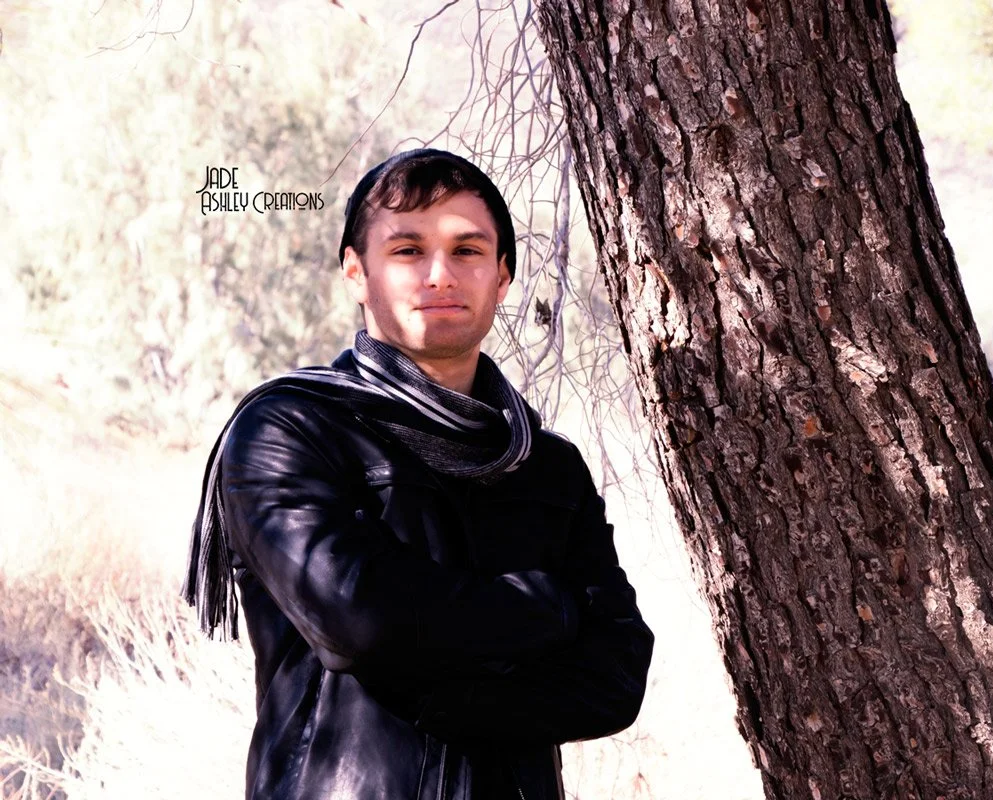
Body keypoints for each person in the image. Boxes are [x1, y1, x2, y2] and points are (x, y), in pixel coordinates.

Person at [182, 148, 655, 800]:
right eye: (407, 250)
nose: (440, 274)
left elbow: (617, 677)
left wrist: (450, 699)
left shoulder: (547, 465)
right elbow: (360, 618)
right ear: (356, 273)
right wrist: (554, 607)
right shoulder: (291, 428)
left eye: (468, 250)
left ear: (503, 277)